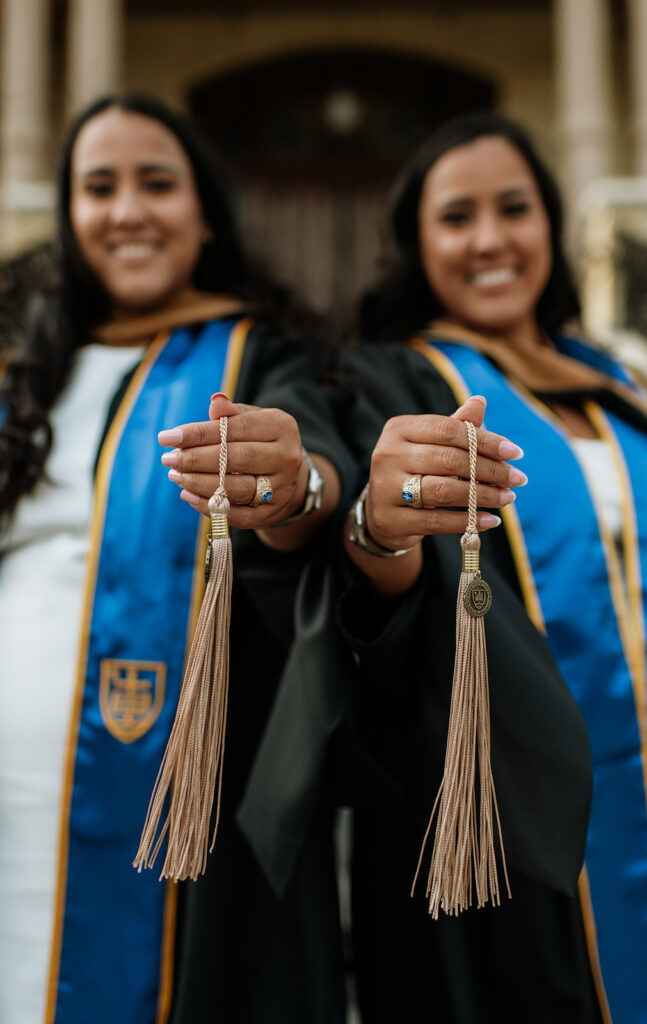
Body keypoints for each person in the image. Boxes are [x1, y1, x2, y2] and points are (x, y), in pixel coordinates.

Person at [0, 94, 354, 1024]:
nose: (127, 211)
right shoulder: (30, 372)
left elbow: (317, 479)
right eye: (98, 187)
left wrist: (293, 484)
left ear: (204, 214)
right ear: (69, 218)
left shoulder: (264, 354)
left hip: (188, 804)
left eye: (157, 183)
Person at [337, 111, 647, 1022]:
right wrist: (378, 526)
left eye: (514, 208)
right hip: (501, 822)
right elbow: (368, 589)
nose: (490, 238)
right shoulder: (386, 384)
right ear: (416, 245)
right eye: (456, 217)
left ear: (550, 227)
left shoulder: (623, 384)